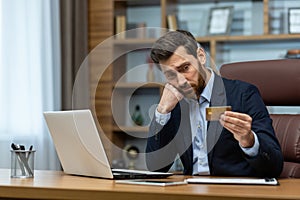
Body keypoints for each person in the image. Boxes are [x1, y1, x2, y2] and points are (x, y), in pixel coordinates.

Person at [145, 30, 283, 178]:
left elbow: (275, 166)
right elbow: (155, 169)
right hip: (189, 190)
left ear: (201, 56)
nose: (181, 81)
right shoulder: (173, 104)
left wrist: (249, 141)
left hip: (234, 190)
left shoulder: (244, 94)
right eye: (171, 75)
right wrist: (162, 112)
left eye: (185, 68)